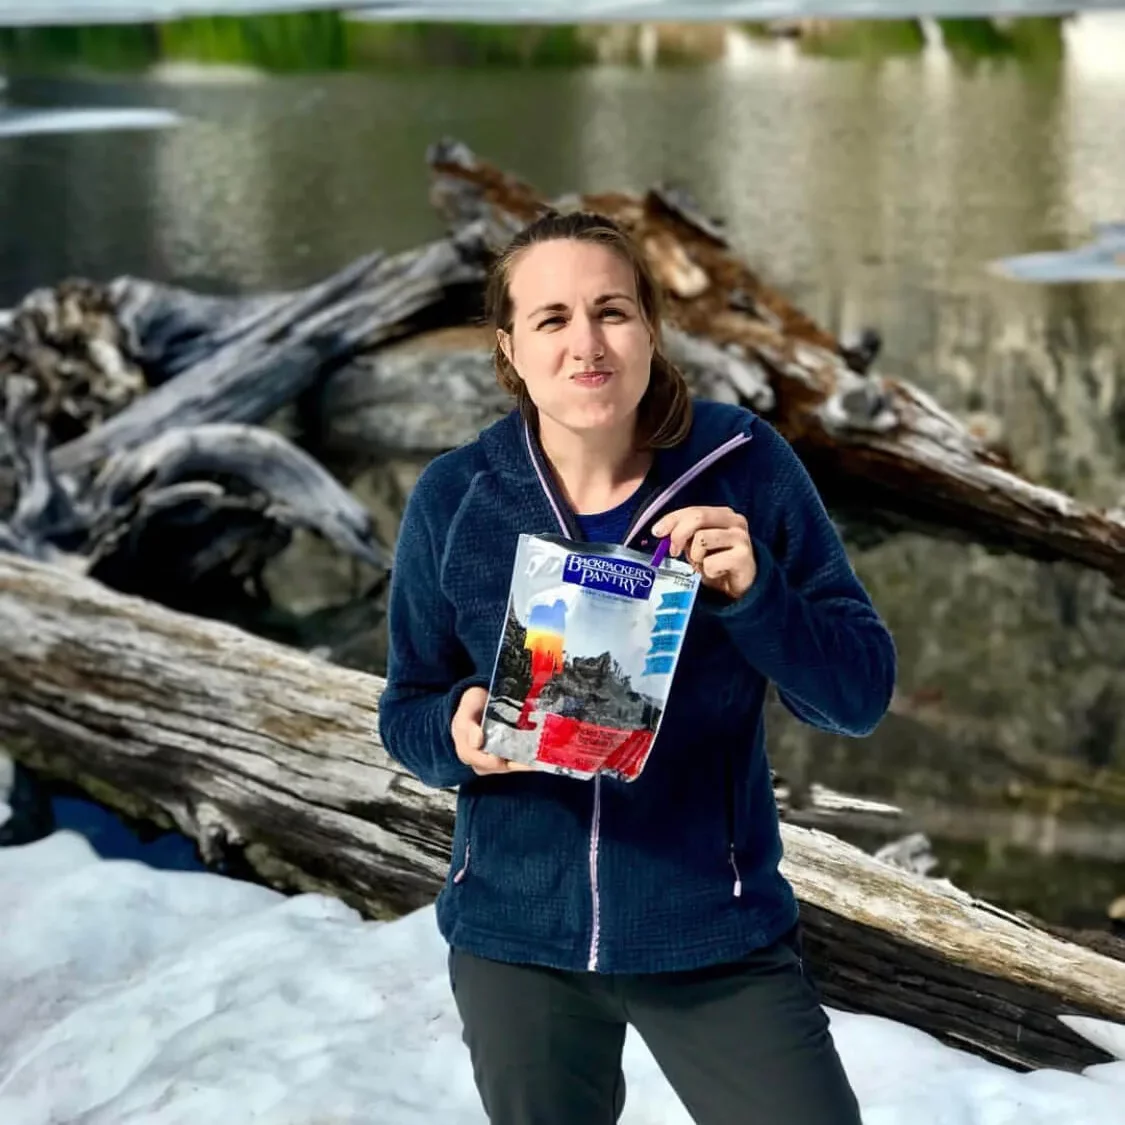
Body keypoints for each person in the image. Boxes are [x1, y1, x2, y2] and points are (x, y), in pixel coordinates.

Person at [378, 209, 897, 1125]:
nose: (587, 344)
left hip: (711, 933)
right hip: (516, 943)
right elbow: (408, 710)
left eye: (611, 311)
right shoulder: (457, 497)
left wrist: (757, 594)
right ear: (509, 347)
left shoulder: (745, 468)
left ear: (651, 327)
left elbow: (855, 697)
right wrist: (456, 733)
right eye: (551, 319)